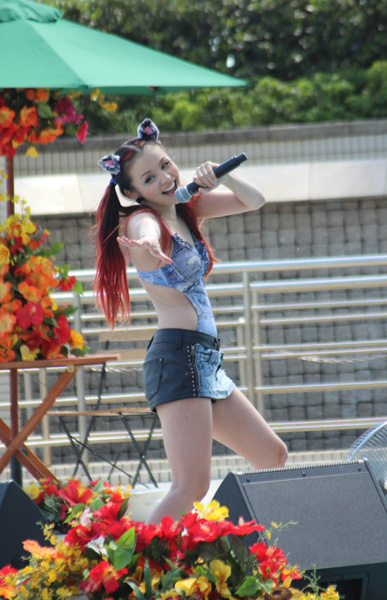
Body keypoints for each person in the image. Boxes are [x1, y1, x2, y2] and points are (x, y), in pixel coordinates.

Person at [95, 118, 288, 523]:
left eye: (166, 165)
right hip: (178, 358)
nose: (165, 178)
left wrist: (221, 176)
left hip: (205, 359)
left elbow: (255, 200)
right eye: (149, 178)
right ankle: (131, 561)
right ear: (133, 192)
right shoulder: (140, 220)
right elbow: (146, 228)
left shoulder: (189, 208)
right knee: (190, 486)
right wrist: (147, 243)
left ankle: (251, 552)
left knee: (273, 455)